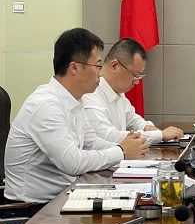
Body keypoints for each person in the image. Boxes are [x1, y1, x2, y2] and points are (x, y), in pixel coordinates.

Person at [3, 28, 149, 204]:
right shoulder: (45, 105)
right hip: (32, 209)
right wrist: (121, 151)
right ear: (74, 68)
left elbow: (92, 143)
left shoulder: (76, 101)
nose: (101, 73)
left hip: (64, 196)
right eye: (97, 66)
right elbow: (72, 163)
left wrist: (129, 151)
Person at [83, 38, 183, 144]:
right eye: (135, 75)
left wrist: (146, 127)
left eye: (139, 76)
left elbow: (133, 120)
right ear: (114, 66)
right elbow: (107, 137)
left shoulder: (118, 93)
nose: (136, 82)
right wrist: (160, 135)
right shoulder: (90, 94)